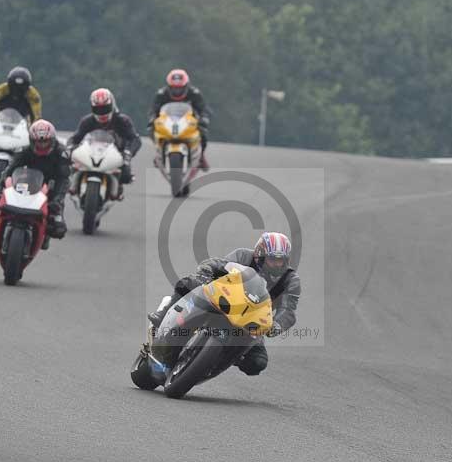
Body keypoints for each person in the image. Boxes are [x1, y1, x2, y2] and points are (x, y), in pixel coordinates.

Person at [147, 232, 300, 376]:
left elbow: (288, 310)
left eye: (281, 260)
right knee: (188, 284)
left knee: (257, 363)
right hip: (223, 300)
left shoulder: (290, 280)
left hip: (251, 320)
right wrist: (206, 272)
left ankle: (222, 360)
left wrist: (276, 325)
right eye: (272, 259)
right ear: (260, 255)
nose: (276, 264)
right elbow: (219, 265)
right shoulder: (243, 256)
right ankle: (164, 313)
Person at [0, 119, 70, 248]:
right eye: (39, 142)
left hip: (51, 186)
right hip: (28, 181)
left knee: (58, 227)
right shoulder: (24, 150)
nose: (42, 145)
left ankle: (45, 233)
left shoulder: (61, 153)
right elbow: (9, 171)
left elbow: (63, 179)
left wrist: (57, 200)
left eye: (45, 142)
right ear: (31, 140)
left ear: (52, 140)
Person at [66, 88, 141, 200]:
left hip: (116, 154)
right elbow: (75, 137)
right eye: (98, 109)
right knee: (70, 165)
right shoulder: (87, 121)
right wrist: (70, 148)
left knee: (126, 175)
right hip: (91, 152)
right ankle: (72, 186)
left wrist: (128, 152)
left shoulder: (122, 121)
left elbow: (135, 139)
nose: (102, 112)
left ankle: (117, 189)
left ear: (112, 105)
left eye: (105, 108)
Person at [0, 66, 42, 170]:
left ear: (27, 87)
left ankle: (28, 167)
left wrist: (35, 130)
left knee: (33, 147)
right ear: (9, 84)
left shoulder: (33, 96)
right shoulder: (0, 90)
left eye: (21, 88)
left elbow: (36, 116)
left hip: (22, 125)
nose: (17, 91)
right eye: (14, 88)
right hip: (1, 121)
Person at [147, 69, 211, 170]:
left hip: (189, 121)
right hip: (167, 120)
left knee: (203, 132)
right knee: (151, 130)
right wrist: (152, 119)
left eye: (180, 88)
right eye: (174, 88)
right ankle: (159, 151)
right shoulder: (161, 94)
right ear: (168, 86)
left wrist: (204, 119)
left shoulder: (194, 93)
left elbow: (203, 109)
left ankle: (201, 156)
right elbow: (153, 109)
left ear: (186, 86)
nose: (177, 91)